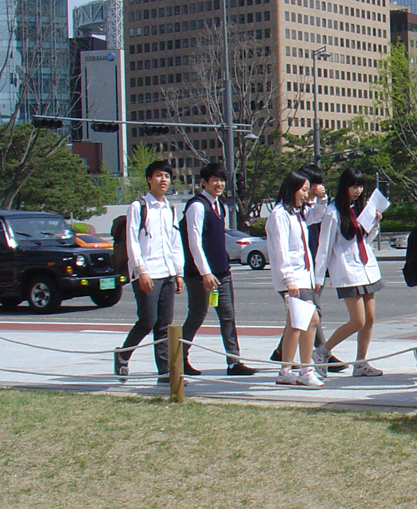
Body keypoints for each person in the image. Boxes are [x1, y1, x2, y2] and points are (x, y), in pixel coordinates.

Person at [179, 161, 254, 376]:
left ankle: (233, 362)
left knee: (228, 316)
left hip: (222, 272)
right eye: (215, 180)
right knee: (197, 315)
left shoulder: (220, 205)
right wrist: (205, 272)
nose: (219, 184)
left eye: (221, 180)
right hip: (200, 275)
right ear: (204, 182)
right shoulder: (197, 205)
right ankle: (180, 358)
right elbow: (194, 242)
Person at [115, 161, 185, 382]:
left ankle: (164, 372)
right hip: (147, 272)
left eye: (166, 176)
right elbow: (132, 241)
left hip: (167, 273)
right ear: (148, 179)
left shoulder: (169, 208)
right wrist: (141, 270)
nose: (163, 180)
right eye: (158, 176)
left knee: (164, 324)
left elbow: (175, 242)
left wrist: (178, 272)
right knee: (147, 320)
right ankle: (123, 355)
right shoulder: (139, 206)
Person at [313, 168, 384, 377]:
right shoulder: (333, 212)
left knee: (369, 318)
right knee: (358, 320)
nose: (358, 191)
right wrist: (318, 278)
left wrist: (375, 223)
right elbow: (324, 247)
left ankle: (361, 362)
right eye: (354, 186)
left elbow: (365, 240)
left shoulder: (360, 209)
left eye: (360, 186)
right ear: (344, 187)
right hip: (347, 270)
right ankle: (322, 352)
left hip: (366, 268)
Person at [266, 170, 323, 388]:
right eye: (303, 190)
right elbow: (280, 250)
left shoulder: (296, 213)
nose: (306, 194)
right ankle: (306, 369)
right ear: (292, 189)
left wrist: (320, 197)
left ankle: (285, 370)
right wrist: (288, 279)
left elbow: (318, 214)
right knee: (311, 320)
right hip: (293, 277)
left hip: (303, 275)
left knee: (295, 323)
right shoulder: (279, 215)